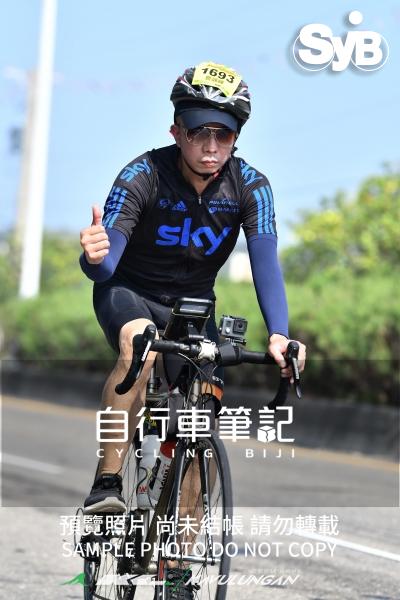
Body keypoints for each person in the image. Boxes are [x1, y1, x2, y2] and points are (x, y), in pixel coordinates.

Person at [79, 61, 306, 596]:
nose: (210, 145)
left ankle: (178, 561)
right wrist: (93, 258)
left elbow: (266, 263)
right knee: (137, 342)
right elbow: (106, 267)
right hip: (129, 293)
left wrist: (280, 333)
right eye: (199, 131)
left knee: (202, 416)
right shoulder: (142, 175)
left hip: (193, 307)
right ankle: (108, 483)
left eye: (223, 133)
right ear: (176, 131)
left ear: (236, 137)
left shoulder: (251, 186)